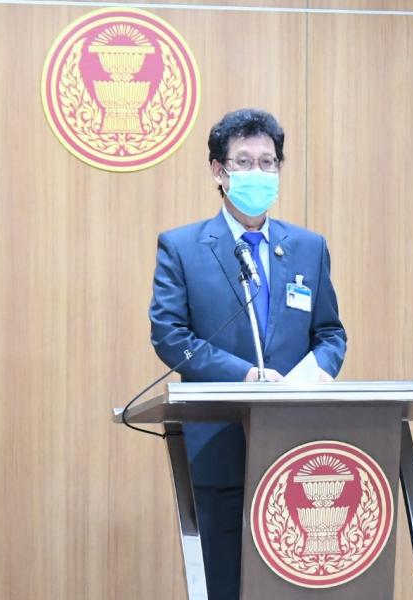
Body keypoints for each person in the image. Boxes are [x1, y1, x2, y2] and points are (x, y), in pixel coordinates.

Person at [148, 108, 347, 599]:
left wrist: (319, 369)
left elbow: (329, 333)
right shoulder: (183, 248)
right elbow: (170, 335)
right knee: (226, 583)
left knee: (297, 585)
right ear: (219, 171)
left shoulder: (309, 248)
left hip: (298, 448)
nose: (258, 172)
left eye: (268, 162)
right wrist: (245, 376)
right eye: (244, 162)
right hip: (219, 444)